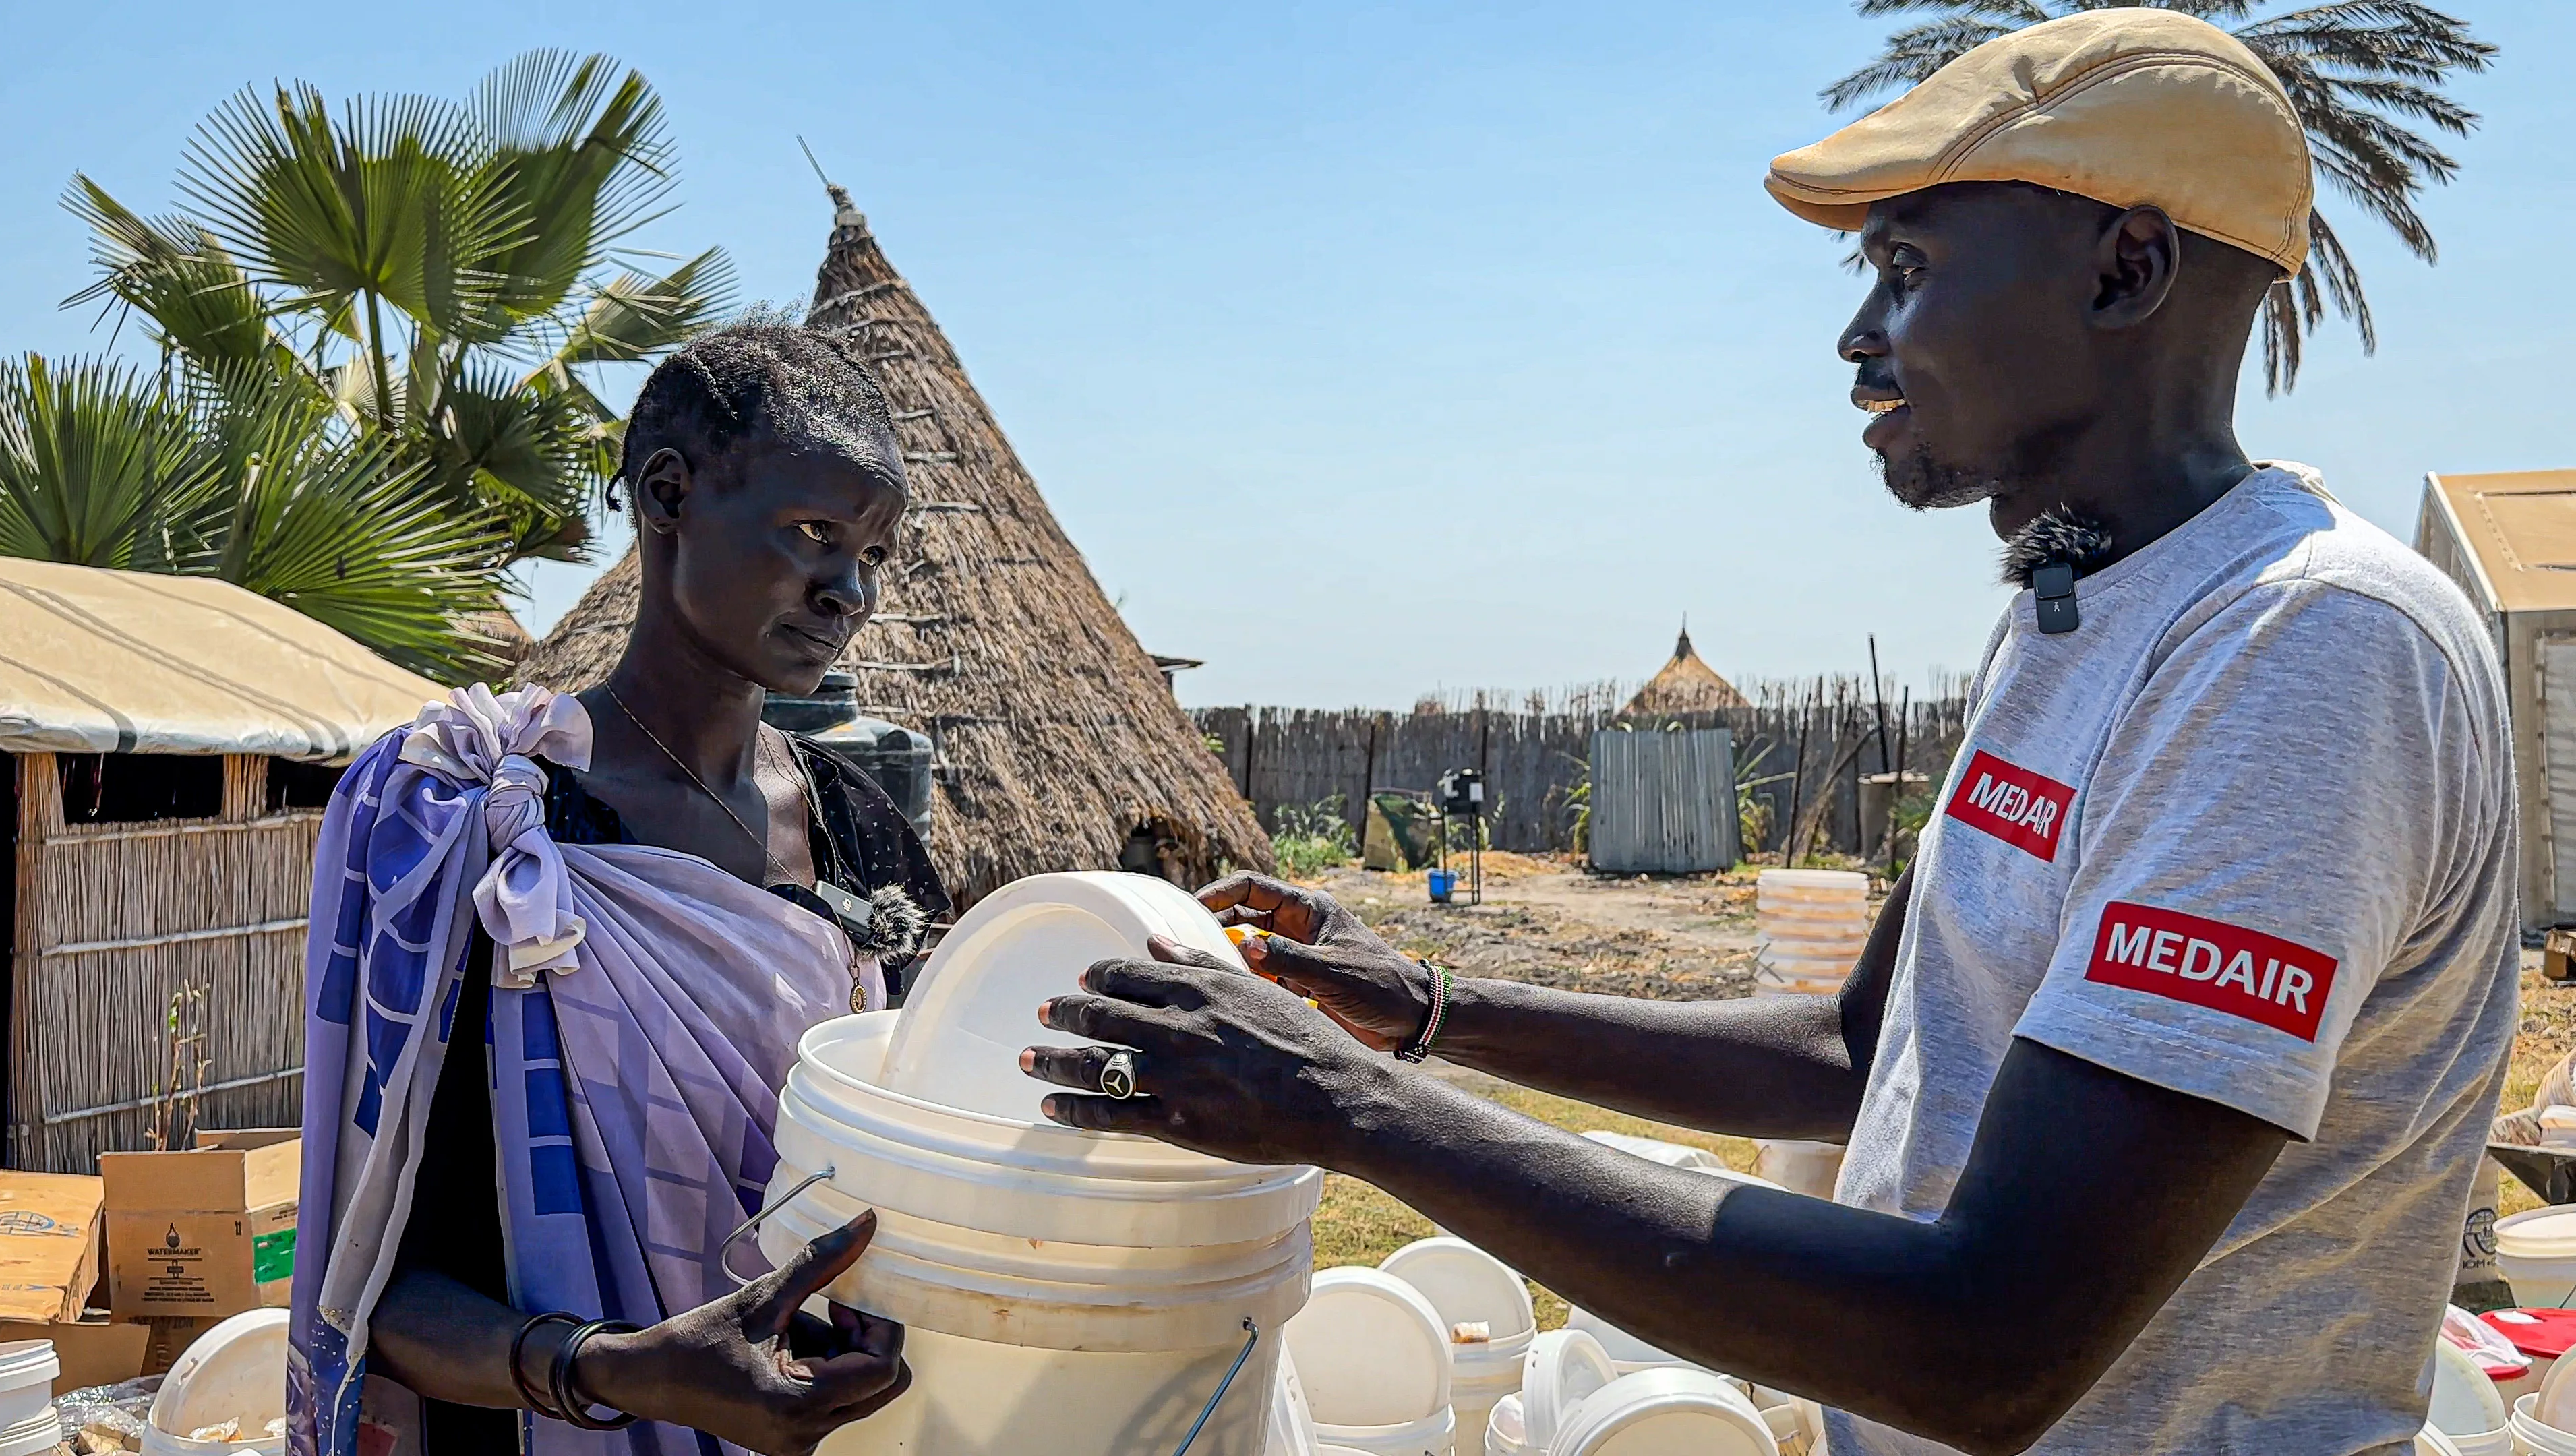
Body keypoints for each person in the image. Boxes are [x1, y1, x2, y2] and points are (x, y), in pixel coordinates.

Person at [1024, 13, 2518, 1455]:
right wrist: (1427, 1007)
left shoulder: (2302, 651)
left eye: (1911, 268)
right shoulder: (2079, 616)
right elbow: (1862, 1048)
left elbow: (1991, 1349)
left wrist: (1344, 1108)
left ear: (2128, 269)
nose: (1860, 340)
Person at [289, 324, 950, 1456]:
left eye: (874, 555)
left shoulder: (867, 834)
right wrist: (616, 1373)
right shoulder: (475, 824)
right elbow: (372, 1288)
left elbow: (928, 1188)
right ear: (666, 496)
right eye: (813, 533)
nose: (849, 591)